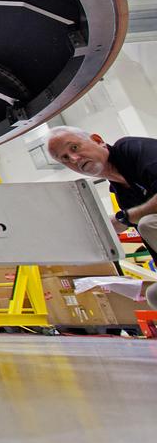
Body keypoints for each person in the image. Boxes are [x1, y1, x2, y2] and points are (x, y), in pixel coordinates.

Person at [45, 126, 157, 309]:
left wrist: (125, 218)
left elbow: (138, 221)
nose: (74, 159)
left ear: (98, 140)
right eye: (65, 158)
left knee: (148, 224)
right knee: (154, 295)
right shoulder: (121, 193)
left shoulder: (132, 149)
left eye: (74, 148)